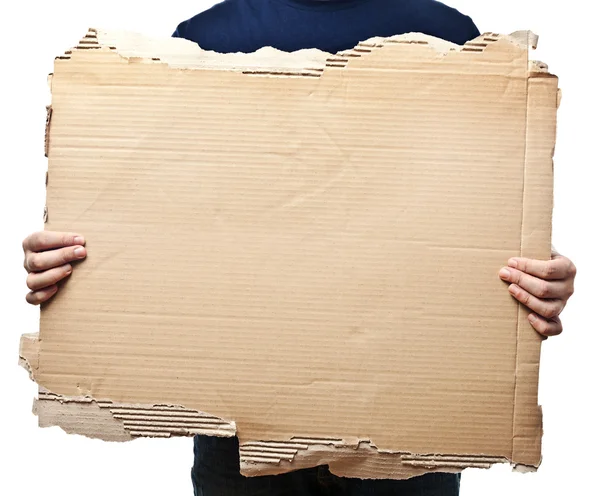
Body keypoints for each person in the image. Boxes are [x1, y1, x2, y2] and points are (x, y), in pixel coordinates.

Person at [22, 1, 577, 495]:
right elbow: (156, 224)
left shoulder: (449, 34)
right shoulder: (203, 37)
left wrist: (537, 273)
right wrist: (69, 267)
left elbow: (470, 218)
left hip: (404, 444)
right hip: (240, 440)